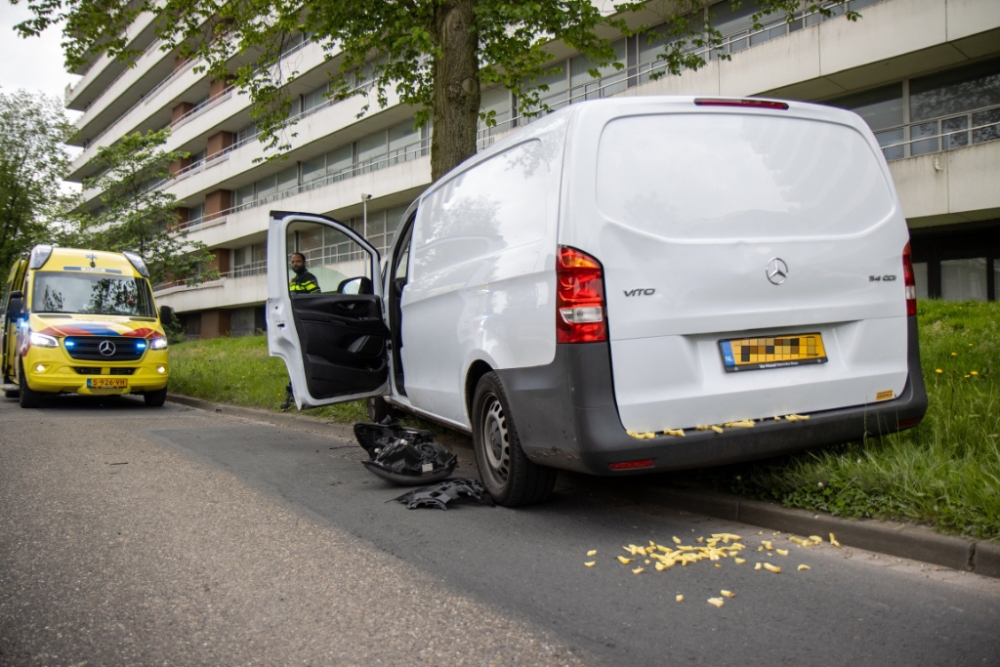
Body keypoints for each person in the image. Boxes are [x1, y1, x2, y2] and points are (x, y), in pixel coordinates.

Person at [281, 253, 321, 409]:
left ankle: (301, 396)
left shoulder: (308, 278)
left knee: (301, 360)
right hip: (294, 324)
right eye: (293, 261)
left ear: (304, 262)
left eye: (298, 261)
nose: (295, 264)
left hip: (305, 324)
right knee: (294, 360)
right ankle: (293, 395)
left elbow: (315, 298)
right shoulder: (293, 281)